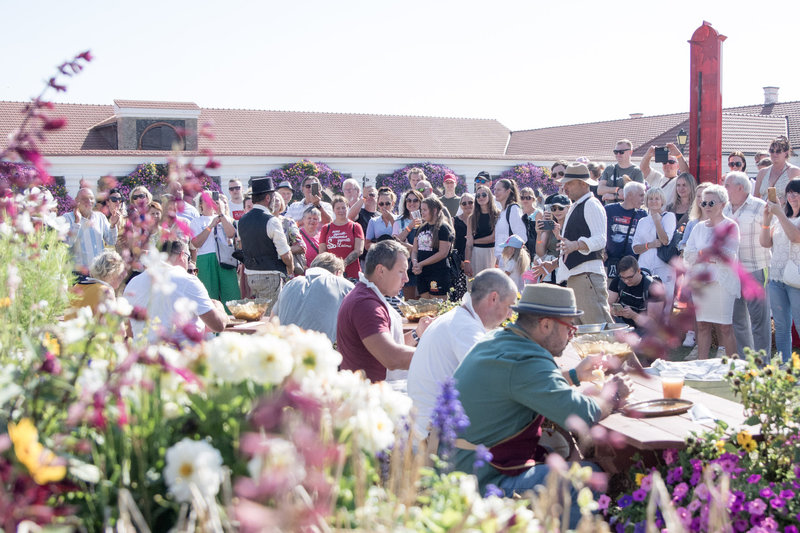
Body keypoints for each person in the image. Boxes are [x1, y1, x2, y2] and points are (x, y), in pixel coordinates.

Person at [451, 284, 631, 529]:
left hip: (461, 468)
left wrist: (573, 375)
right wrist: (611, 396)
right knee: (585, 477)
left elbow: (520, 384)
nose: (572, 335)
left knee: (564, 452)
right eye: (569, 326)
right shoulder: (526, 359)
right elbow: (580, 414)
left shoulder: (500, 340)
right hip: (483, 482)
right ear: (546, 324)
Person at [407, 269, 517, 438]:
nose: (510, 314)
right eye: (510, 306)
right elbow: (494, 384)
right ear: (493, 298)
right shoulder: (465, 327)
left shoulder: (461, 319)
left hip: (429, 427)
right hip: (435, 437)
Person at [337, 240, 433, 381]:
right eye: (401, 272)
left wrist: (417, 333)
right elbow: (391, 357)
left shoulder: (367, 296)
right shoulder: (365, 304)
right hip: (369, 396)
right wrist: (438, 358)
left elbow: (388, 345)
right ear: (380, 271)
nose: (406, 279)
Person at [123, 240, 228, 343]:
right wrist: (219, 307)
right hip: (181, 355)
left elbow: (130, 333)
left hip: (143, 355)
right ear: (182, 255)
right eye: (189, 258)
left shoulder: (133, 283)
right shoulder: (187, 280)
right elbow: (218, 325)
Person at [684, 185, 740, 360]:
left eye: (711, 203)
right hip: (701, 283)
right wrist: (708, 254)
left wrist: (704, 255)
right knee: (702, 325)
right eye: (703, 203)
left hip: (722, 283)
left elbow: (729, 256)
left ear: (722, 204)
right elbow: (688, 254)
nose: (706, 206)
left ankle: (734, 368)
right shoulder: (698, 227)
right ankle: (702, 366)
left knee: (725, 326)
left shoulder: (731, 226)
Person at [555, 163, 613, 324]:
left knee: (600, 331)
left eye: (570, 183)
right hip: (579, 277)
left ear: (583, 183)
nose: (565, 187)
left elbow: (601, 239)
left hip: (587, 276)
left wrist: (576, 245)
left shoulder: (591, 204)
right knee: (588, 335)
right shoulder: (578, 205)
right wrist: (553, 264)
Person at [723, 171, 772, 356]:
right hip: (732, 272)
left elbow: (772, 234)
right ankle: (746, 363)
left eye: (727, 185)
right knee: (738, 321)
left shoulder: (760, 207)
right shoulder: (725, 209)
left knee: (759, 321)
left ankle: (763, 365)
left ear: (740, 187)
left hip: (755, 270)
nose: (724, 189)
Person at [270, 253, 354, 344]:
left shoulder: (290, 283)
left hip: (285, 350)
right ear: (338, 273)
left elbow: (272, 321)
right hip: (318, 352)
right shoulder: (342, 284)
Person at [760, 178, 800, 363]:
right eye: (789, 192)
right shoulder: (779, 217)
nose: (792, 196)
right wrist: (767, 219)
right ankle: (785, 364)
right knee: (782, 326)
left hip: (796, 278)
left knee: (799, 324)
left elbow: (794, 237)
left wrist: (780, 215)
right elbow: (765, 243)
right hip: (776, 277)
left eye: (796, 192)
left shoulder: (786, 218)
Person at [238, 177, 294, 305]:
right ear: (268, 198)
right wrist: (290, 269)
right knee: (270, 319)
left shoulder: (242, 220)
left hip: (250, 276)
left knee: (257, 316)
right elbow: (285, 254)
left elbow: (242, 246)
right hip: (269, 275)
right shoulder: (271, 220)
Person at [190, 192, 241, 308]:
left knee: (231, 293)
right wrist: (210, 226)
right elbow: (196, 243)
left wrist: (220, 215)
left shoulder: (226, 218)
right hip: (205, 258)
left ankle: (232, 320)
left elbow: (231, 234)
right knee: (208, 295)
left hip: (225, 258)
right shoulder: (196, 222)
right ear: (201, 204)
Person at [632, 187, 676, 314]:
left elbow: (665, 240)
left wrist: (657, 221)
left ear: (662, 201)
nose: (653, 201)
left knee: (665, 302)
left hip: (663, 264)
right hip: (644, 264)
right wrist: (649, 245)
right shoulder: (642, 221)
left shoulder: (669, 217)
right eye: (650, 199)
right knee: (644, 300)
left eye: (657, 198)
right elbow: (635, 248)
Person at [60, 187, 119, 275]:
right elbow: (67, 244)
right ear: (76, 201)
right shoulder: (67, 218)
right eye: (84, 199)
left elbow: (111, 241)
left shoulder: (100, 217)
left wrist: (113, 225)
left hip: (98, 271)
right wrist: (76, 223)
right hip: (77, 273)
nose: (89, 201)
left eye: (91, 198)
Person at [412, 197, 454, 299]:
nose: (422, 213)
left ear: (434, 210)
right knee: (425, 305)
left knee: (437, 306)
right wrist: (415, 263)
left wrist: (421, 264)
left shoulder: (443, 228)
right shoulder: (421, 227)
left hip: (438, 272)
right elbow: (414, 250)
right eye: (421, 210)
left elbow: (443, 253)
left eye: (425, 210)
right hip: (422, 273)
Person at [608, 255, 665, 332]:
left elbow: (653, 323)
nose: (626, 281)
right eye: (623, 278)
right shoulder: (618, 281)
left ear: (638, 271)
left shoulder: (653, 287)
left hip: (646, 330)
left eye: (630, 277)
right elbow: (607, 304)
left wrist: (633, 316)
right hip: (624, 326)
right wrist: (614, 311)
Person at [65, 250, 126, 319]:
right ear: (112, 274)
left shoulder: (78, 286)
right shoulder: (105, 291)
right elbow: (115, 325)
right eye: (120, 274)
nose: (122, 277)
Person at [604, 182, 646, 278]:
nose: (643, 199)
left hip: (632, 268)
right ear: (630, 195)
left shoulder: (643, 215)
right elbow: (598, 231)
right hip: (610, 264)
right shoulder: (609, 210)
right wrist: (602, 250)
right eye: (641, 195)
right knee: (609, 292)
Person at [319, 196, 365, 280]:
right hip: (331, 272)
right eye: (338, 208)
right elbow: (322, 251)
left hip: (352, 273)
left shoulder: (355, 226)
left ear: (348, 208)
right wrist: (333, 266)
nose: (341, 211)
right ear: (333, 209)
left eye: (343, 208)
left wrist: (342, 264)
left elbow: (359, 250)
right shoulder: (326, 228)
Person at [531, 193, 572, 284]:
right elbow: (540, 252)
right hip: (550, 270)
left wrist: (559, 236)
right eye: (554, 208)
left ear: (569, 208)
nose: (557, 211)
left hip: (566, 269)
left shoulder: (572, 226)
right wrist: (539, 234)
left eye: (560, 208)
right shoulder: (550, 226)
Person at [392, 189, 424, 299]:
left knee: (423, 299)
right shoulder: (399, 221)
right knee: (409, 300)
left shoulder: (426, 221)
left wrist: (407, 245)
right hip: (407, 264)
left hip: (424, 263)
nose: (412, 203)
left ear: (420, 203)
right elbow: (396, 242)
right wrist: (409, 227)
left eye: (415, 200)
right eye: (409, 200)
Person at [753, 135, 800, 204]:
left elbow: (798, 197)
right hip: (764, 213)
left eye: (778, 151)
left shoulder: (794, 172)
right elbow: (756, 198)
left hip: (784, 213)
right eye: (772, 151)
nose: (774, 154)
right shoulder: (762, 172)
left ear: (786, 153)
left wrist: (780, 202)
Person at [464, 185, 499, 277]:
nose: (481, 197)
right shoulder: (471, 218)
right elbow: (468, 245)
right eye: (478, 196)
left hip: (491, 253)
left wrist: (473, 241)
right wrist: (467, 262)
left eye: (484, 195)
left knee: (490, 285)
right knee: (474, 286)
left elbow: (493, 238)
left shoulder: (498, 215)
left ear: (489, 197)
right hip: (474, 254)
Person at [597, 139, 644, 204]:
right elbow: (600, 190)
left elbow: (638, 194)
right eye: (616, 152)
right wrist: (617, 190)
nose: (618, 154)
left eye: (621, 152)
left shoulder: (636, 171)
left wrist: (614, 196)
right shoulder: (609, 169)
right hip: (610, 211)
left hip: (628, 211)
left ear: (630, 152)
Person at [271, 194, 307, 276]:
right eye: (272, 201)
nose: (274, 203)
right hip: (268, 271)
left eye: (277, 200)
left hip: (286, 270)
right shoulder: (262, 223)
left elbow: (301, 246)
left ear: (281, 203)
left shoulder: (288, 222)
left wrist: (281, 252)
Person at [493, 179, 527, 261]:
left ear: (508, 191)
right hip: (502, 259)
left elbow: (522, 237)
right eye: (495, 189)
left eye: (499, 190)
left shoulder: (513, 209)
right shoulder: (503, 211)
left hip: (511, 261)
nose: (495, 192)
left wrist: (510, 257)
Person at [519, 186, 540, 259]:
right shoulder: (520, 213)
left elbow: (541, 233)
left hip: (536, 247)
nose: (525, 200)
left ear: (533, 199)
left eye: (528, 198)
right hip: (524, 247)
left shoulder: (538, 213)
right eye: (522, 198)